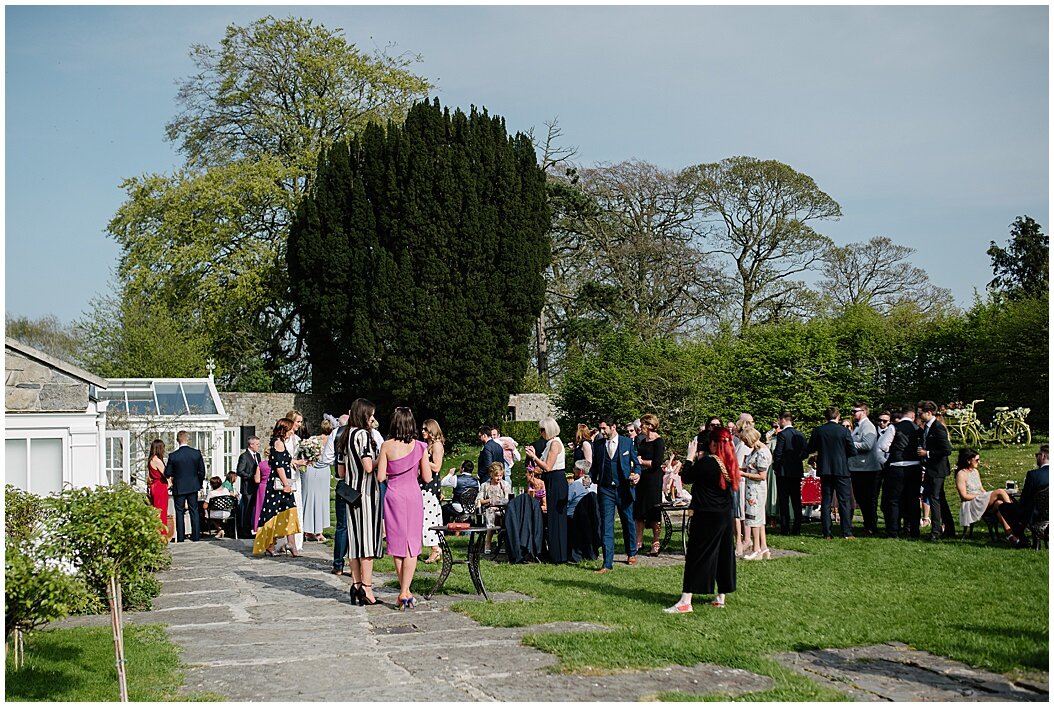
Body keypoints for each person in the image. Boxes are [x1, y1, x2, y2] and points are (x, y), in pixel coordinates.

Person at [664, 427, 740, 613]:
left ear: (714, 444)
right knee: (724, 555)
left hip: (706, 515)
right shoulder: (730, 462)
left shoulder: (708, 462)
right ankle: (721, 596)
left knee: (696, 556)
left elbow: (687, 476)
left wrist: (690, 457)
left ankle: (685, 600)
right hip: (724, 514)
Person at [377, 407, 431, 610]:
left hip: (394, 495)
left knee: (397, 545)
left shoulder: (386, 446)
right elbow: (426, 477)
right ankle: (405, 591)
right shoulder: (420, 447)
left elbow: (381, 477)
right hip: (413, 495)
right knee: (412, 545)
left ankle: (404, 591)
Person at [336, 398, 384, 605]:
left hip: (350, 494)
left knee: (355, 542)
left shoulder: (344, 435)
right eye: (370, 415)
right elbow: (367, 466)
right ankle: (367, 588)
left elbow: (340, 471)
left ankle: (356, 585)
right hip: (366, 494)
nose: (373, 420)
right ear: (364, 415)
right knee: (367, 543)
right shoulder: (363, 435)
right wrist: (383, 459)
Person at [588, 416, 641, 573]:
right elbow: (595, 468)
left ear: (613, 427)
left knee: (628, 521)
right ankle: (607, 563)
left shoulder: (626, 442)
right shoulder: (597, 445)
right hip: (605, 489)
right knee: (606, 525)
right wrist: (589, 477)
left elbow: (636, 464)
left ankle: (631, 552)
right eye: (600, 428)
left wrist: (637, 475)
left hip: (624, 488)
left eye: (604, 428)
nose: (602, 431)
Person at [252, 418, 302, 557]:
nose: (292, 432)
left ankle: (289, 544)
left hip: (281, 485)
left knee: (287, 512)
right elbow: (279, 466)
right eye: (290, 429)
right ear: (284, 430)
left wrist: (299, 462)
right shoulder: (279, 443)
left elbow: (285, 460)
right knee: (274, 513)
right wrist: (286, 485)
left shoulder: (279, 443)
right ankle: (270, 544)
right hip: (279, 487)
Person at [806, 407, 857, 540]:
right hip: (841, 469)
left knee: (826, 501)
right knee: (844, 501)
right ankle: (847, 532)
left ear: (826, 417)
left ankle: (827, 533)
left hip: (825, 469)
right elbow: (852, 451)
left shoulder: (819, 431)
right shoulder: (844, 431)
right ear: (838, 416)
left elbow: (811, 448)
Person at [524, 417, 568, 563]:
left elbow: (548, 466)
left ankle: (559, 554)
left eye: (542, 430)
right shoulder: (550, 443)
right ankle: (554, 552)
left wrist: (534, 457)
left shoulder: (555, 443)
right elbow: (540, 467)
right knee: (551, 517)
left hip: (556, 480)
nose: (540, 433)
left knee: (556, 517)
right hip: (550, 479)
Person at [954, 448, 1018, 542]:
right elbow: (964, 496)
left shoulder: (975, 472)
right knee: (1000, 491)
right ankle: (1014, 516)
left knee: (999, 504)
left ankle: (1010, 534)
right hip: (970, 503)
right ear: (968, 460)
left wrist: (985, 495)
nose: (979, 462)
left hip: (980, 500)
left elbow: (981, 489)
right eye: (976, 460)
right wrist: (981, 496)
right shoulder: (961, 474)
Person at [884, 405, 923, 538]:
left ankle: (893, 531)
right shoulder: (918, 429)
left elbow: (883, 445)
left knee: (894, 500)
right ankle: (914, 531)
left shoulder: (894, 427)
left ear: (902, 415)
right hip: (914, 467)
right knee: (913, 500)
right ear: (913, 416)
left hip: (897, 465)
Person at [916, 400, 952, 541]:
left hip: (938, 469)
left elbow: (946, 450)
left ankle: (936, 532)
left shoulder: (938, 428)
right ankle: (949, 528)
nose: (919, 416)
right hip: (931, 468)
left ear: (928, 413)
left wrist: (928, 453)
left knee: (934, 498)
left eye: (920, 413)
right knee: (939, 498)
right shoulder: (927, 428)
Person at [165, 430, 207, 542]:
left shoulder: (173, 456)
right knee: (194, 510)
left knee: (179, 511)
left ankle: (181, 537)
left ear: (177, 440)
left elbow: (167, 472)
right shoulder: (196, 453)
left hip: (179, 486)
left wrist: (175, 476)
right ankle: (196, 536)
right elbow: (202, 471)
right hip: (193, 485)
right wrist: (199, 482)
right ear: (188, 439)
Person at [633, 413, 666, 557]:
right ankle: (638, 542)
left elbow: (657, 462)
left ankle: (655, 543)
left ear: (650, 426)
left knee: (654, 511)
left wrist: (641, 462)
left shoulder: (659, 442)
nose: (640, 428)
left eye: (642, 425)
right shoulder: (642, 442)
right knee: (639, 511)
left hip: (654, 479)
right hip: (642, 478)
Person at [848, 403, 881, 536]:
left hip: (867, 469)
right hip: (858, 468)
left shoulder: (868, 427)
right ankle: (868, 524)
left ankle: (871, 526)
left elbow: (867, 445)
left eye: (855, 411)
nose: (853, 414)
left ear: (864, 412)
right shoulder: (858, 427)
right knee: (862, 499)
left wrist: (849, 444)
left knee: (868, 499)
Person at [322, 412, 350, 574]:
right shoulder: (369, 433)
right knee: (360, 526)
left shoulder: (337, 434)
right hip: (364, 484)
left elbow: (326, 458)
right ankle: (358, 565)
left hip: (344, 482)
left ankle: (338, 564)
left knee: (342, 525)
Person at [1006, 445, 1050, 541]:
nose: (1036, 458)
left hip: (1036, 515)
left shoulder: (1033, 474)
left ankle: (1021, 538)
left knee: (1004, 507)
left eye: (1036, 455)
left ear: (1042, 456)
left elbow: (1024, 499)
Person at [773, 411, 807, 535]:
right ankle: (797, 527)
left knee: (783, 501)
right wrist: (797, 460)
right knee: (796, 500)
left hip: (783, 472)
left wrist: (776, 467)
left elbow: (778, 453)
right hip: (796, 471)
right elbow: (805, 452)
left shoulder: (782, 435)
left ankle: (785, 527)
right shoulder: (801, 435)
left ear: (783, 420)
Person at [740, 427, 771, 560]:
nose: (745, 444)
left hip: (756, 490)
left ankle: (756, 549)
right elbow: (751, 467)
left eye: (746, 441)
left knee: (754, 519)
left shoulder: (762, 453)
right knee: (758, 519)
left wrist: (743, 474)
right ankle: (763, 549)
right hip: (751, 489)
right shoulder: (756, 451)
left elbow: (762, 475)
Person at [300, 419, 333, 542]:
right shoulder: (333, 440)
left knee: (310, 499)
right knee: (321, 500)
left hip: (312, 468)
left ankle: (308, 531)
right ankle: (318, 532)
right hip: (321, 470)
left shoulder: (314, 439)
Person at [420, 419, 446, 564]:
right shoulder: (429, 445)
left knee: (428, 518)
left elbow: (436, 467)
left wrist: (422, 459)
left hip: (430, 487)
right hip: (425, 484)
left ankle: (435, 549)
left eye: (425, 429)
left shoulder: (436, 445)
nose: (423, 431)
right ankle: (434, 549)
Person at [284, 409, 309, 552]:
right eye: (297, 421)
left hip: (296, 476)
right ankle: (285, 539)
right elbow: (284, 459)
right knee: (287, 507)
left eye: (300, 422)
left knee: (297, 504)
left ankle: (296, 541)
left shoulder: (298, 439)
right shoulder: (284, 439)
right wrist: (296, 461)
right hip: (287, 476)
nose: (300, 424)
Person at [479, 461, 511, 554]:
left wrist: (503, 497)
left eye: (501, 476)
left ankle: (502, 541)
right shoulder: (485, 485)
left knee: (504, 516)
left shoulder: (505, 485)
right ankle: (488, 542)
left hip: (502, 508)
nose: (499, 478)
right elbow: (480, 501)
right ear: (491, 474)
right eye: (497, 476)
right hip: (489, 508)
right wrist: (490, 500)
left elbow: (508, 499)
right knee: (491, 514)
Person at [234, 435, 261, 537]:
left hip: (257, 487)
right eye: (257, 444)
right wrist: (251, 476)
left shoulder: (257, 456)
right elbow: (240, 471)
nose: (258, 446)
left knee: (255, 509)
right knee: (248, 510)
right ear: (251, 445)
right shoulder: (244, 456)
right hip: (248, 488)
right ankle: (245, 531)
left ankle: (253, 529)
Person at [146, 439, 170, 540]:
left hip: (154, 486)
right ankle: (161, 534)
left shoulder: (151, 460)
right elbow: (166, 474)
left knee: (156, 510)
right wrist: (170, 483)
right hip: (160, 486)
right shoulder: (157, 460)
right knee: (161, 512)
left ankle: (155, 533)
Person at [252, 458, 271, 534]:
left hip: (262, 487)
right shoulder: (275, 463)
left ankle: (259, 527)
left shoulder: (261, 464)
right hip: (272, 487)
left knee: (260, 508)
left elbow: (257, 480)